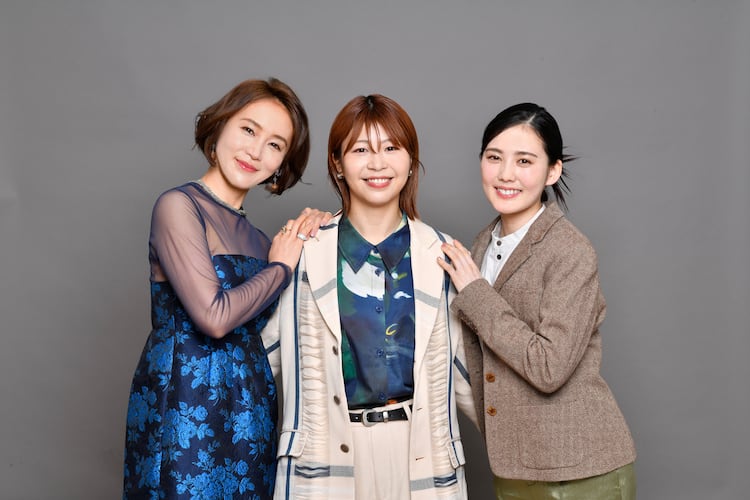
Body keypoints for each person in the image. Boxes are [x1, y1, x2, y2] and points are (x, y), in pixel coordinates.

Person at [123, 77, 331, 499]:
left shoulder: (262, 241)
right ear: (219, 127)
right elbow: (214, 317)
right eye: (249, 129)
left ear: (282, 164)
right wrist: (280, 266)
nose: (256, 151)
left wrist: (320, 229)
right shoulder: (178, 206)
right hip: (184, 405)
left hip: (250, 410)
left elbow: (280, 328)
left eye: (275, 145)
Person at [262, 94, 477, 500]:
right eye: (361, 150)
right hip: (326, 453)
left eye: (391, 148)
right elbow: (259, 362)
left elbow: (469, 378)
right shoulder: (303, 251)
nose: (377, 163)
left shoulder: (443, 255)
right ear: (337, 164)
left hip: (420, 453)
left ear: (411, 161)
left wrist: (539, 451)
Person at [438, 103, 637, 499]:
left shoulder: (570, 251)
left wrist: (476, 294)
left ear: (552, 171)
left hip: (579, 470)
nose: (506, 174)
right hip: (514, 465)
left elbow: (549, 367)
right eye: (494, 157)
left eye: (524, 161)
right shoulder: (480, 246)